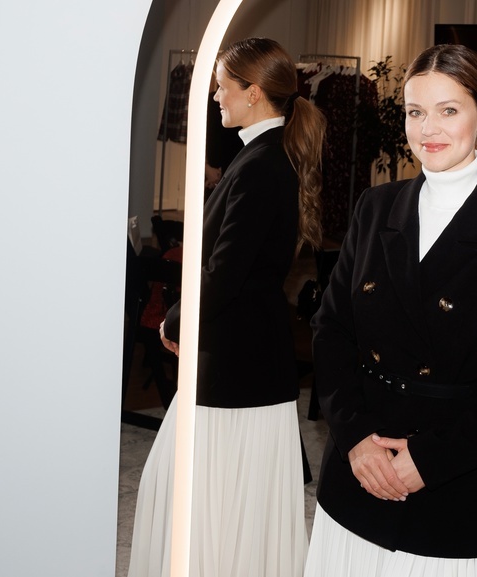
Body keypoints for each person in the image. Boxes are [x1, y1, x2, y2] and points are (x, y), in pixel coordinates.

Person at [303, 44, 477, 577]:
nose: (428, 129)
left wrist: (431, 460)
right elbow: (330, 330)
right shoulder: (375, 207)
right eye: (415, 112)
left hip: (452, 483)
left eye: (448, 110)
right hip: (358, 470)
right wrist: (355, 439)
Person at [127, 37, 326, 577]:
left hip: (237, 362)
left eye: (222, 86)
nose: (216, 96)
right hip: (243, 356)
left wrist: (174, 320)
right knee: (214, 498)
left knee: (204, 497)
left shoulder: (262, 163)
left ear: (253, 93)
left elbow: (226, 272)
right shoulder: (262, 155)